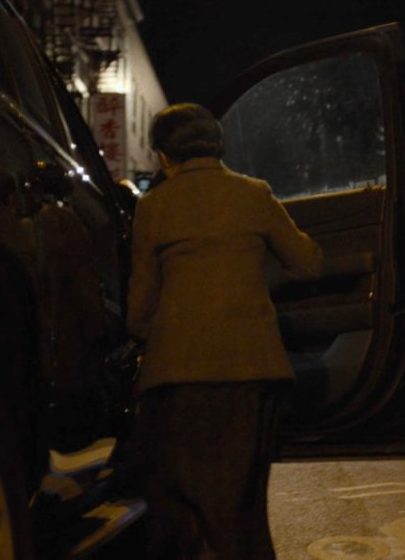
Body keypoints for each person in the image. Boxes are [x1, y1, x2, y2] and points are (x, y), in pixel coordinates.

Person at [126, 102, 324, 559]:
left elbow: (140, 304)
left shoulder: (153, 207)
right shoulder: (254, 193)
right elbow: (307, 261)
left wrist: (143, 336)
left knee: (192, 496)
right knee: (244, 497)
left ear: (164, 156)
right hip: (253, 370)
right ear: (217, 146)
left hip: (178, 374)